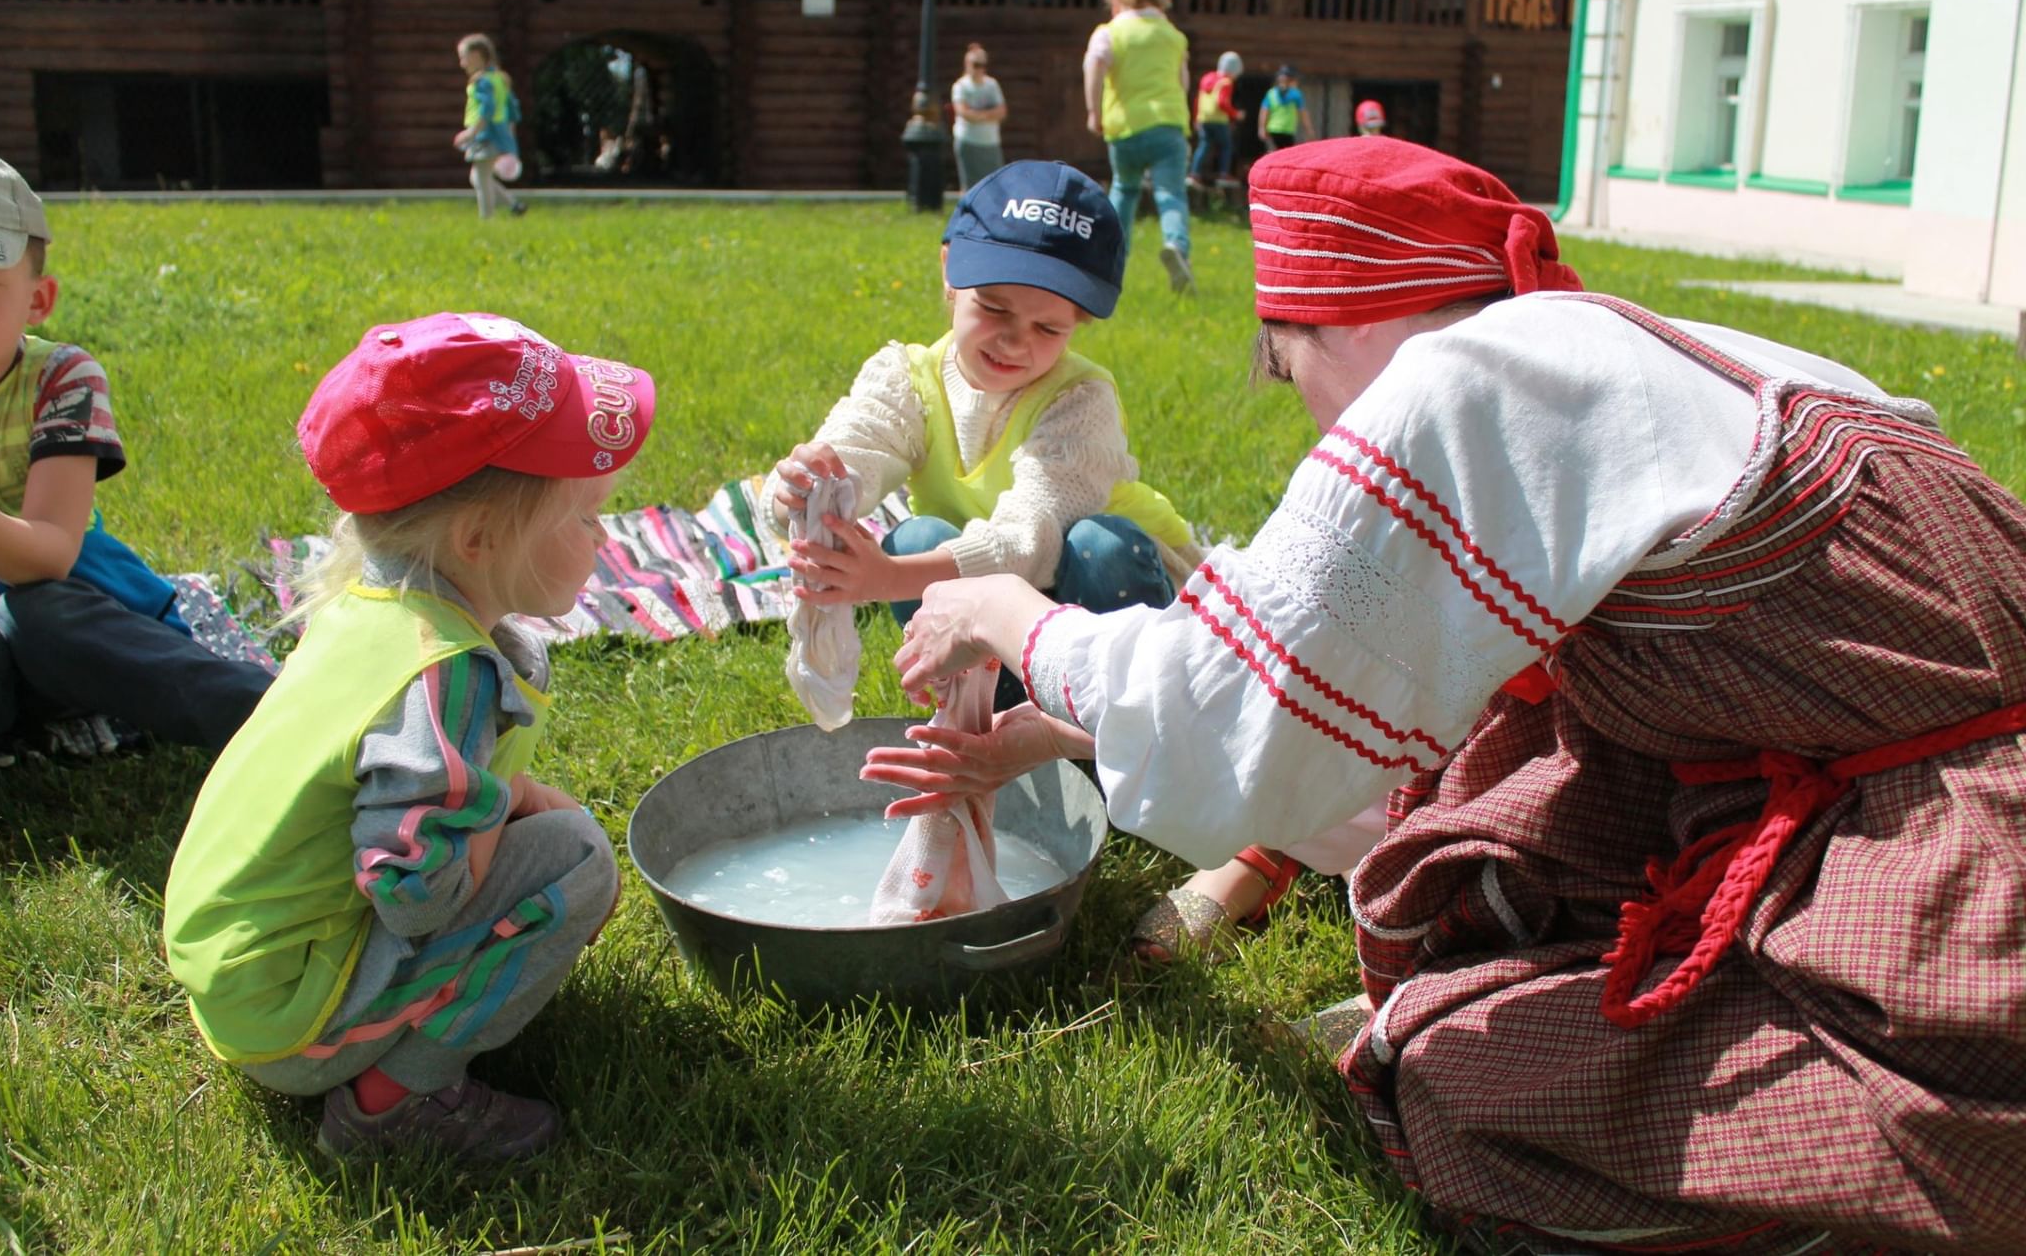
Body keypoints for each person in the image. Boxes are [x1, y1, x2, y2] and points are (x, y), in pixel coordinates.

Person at [881, 137, 2026, 1252]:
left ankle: (1880, 1181)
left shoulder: (1460, 381)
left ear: (1337, 326)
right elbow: (1349, 706)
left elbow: (1236, 719)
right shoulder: (1650, 348)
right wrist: (1042, 732)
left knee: (1449, 1078)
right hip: (1885, 818)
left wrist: (1000, 613)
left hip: (1951, 915)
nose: (1319, 426)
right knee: (1469, 813)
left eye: (1288, 369)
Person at [164, 312, 655, 1160]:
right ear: (480, 538)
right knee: (577, 859)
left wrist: (510, 800)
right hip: (293, 1015)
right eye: (586, 518)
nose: (605, 539)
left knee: (543, 834)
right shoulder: (444, 675)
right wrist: (520, 827)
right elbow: (417, 890)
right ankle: (393, 1105)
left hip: (244, 976)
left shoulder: (371, 609)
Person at [762, 160, 1199, 713]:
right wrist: (802, 491)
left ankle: (1116, 726)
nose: (1015, 342)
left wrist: (887, 578)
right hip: (1003, 606)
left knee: (1099, 543)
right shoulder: (909, 378)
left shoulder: (1082, 399)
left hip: (1109, 605)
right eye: (994, 308)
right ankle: (995, 714)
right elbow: (856, 450)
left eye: (1048, 329)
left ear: (1079, 323)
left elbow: (1032, 540)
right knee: (916, 536)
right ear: (950, 273)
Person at [0, 153, 272, 754]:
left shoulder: (58, 378)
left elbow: (49, 556)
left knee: (35, 619)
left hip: (83, 625)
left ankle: (278, 720)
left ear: (37, 300)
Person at [1082, 0, 1196, 295]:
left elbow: (1094, 66)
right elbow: (1183, 81)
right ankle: (1176, 247)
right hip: (1169, 125)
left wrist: (1093, 111)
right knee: (1171, 193)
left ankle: (1112, 260)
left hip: (1126, 127)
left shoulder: (1110, 32)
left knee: (1125, 189)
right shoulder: (1174, 36)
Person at [453, 33, 526, 219]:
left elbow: (488, 109)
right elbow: (513, 110)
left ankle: (487, 219)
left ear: (477, 55)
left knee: (480, 177)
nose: (462, 64)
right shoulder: (499, 79)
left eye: (464, 57)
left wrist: (471, 132)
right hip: (500, 134)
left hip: (486, 135)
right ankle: (514, 205)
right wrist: (509, 137)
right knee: (478, 177)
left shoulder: (482, 82)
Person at [949, 43, 1008, 193]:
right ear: (967, 64)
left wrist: (977, 115)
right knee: (970, 188)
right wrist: (989, 115)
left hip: (991, 143)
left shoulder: (992, 85)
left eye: (983, 65)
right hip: (968, 141)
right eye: (976, 65)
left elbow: (1002, 112)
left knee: (997, 185)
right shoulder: (960, 86)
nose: (980, 69)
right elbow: (963, 112)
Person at [1187, 52, 1244, 190]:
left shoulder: (1206, 78)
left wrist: (1195, 118)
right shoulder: (1226, 82)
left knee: (1204, 145)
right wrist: (1235, 114)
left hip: (1204, 118)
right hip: (1218, 120)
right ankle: (1223, 174)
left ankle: (1194, 174)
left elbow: (1197, 100)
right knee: (1226, 146)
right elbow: (1222, 102)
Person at [1260, 66, 1308, 152]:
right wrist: (1308, 129)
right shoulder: (1294, 94)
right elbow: (1264, 111)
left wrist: (1262, 128)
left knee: (1279, 154)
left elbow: (1264, 112)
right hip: (1280, 130)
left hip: (1280, 130)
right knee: (1282, 154)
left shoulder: (1273, 93)